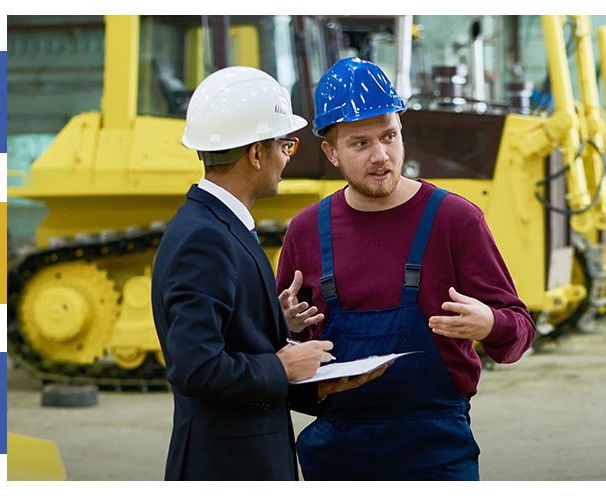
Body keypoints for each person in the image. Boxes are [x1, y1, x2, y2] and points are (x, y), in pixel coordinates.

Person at [276, 57, 537, 481]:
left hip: (435, 450)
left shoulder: (455, 220)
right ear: (331, 153)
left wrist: (489, 323)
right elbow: (283, 353)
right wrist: (285, 324)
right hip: (337, 450)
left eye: (390, 136)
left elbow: (519, 330)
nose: (381, 156)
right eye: (360, 143)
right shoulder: (306, 231)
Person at [151, 66, 384, 481]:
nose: (286, 158)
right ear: (256, 153)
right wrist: (284, 368)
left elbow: (223, 339)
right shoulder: (206, 239)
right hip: (227, 468)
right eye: (285, 145)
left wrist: (272, 323)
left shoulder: (215, 226)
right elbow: (195, 367)